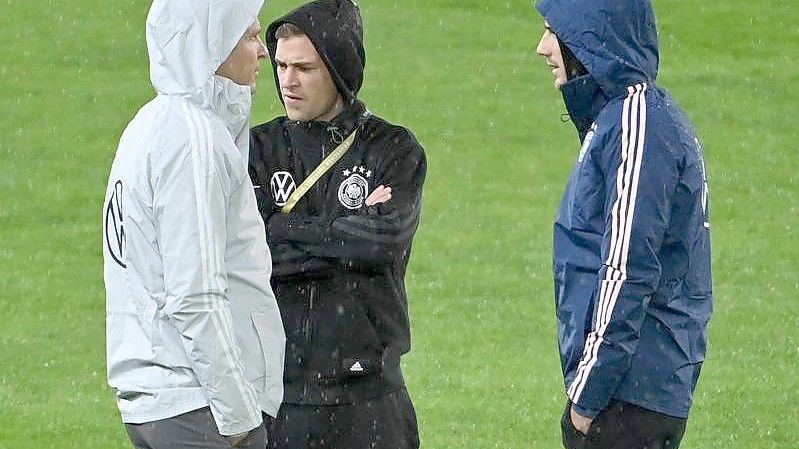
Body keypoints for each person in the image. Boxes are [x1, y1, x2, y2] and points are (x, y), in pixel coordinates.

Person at [102, 1, 285, 447]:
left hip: (164, 402)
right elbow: (196, 294)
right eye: (248, 36)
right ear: (212, 45)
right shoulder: (192, 140)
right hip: (199, 408)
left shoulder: (150, 125)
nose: (262, 52)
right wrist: (240, 421)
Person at [532, 0, 713, 448]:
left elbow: (628, 268)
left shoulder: (638, 121)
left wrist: (586, 399)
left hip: (627, 396)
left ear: (590, 37)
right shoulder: (627, 118)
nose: (542, 48)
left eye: (553, 31)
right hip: (639, 389)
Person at [248, 1, 426, 447]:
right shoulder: (258, 148)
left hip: (370, 397)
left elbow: (381, 244)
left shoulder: (393, 149)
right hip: (279, 396)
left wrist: (281, 227)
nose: (287, 81)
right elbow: (248, 255)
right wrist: (347, 230)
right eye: (283, 65)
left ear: (340, 69)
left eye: (304, 68)